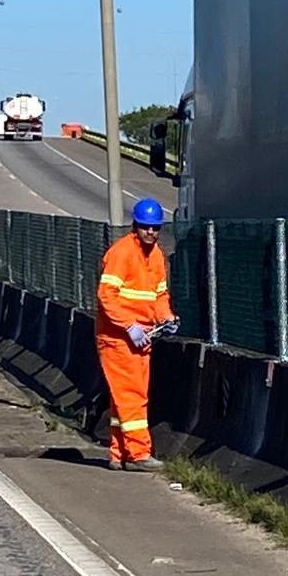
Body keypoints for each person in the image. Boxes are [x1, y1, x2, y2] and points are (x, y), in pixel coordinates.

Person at [96, 198, 177, 471]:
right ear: (135, 227)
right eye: (145, 228)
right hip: (118, 338)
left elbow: (159, 296)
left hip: (142, 337)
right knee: (132, 395)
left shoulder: (156, 256)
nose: (151, 233)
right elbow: (106, 296)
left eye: (155, 228)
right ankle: (139, 453)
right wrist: (129, 325)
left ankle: (119, 454)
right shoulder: (122, 253)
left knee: (125, 397)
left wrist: (166, 318)